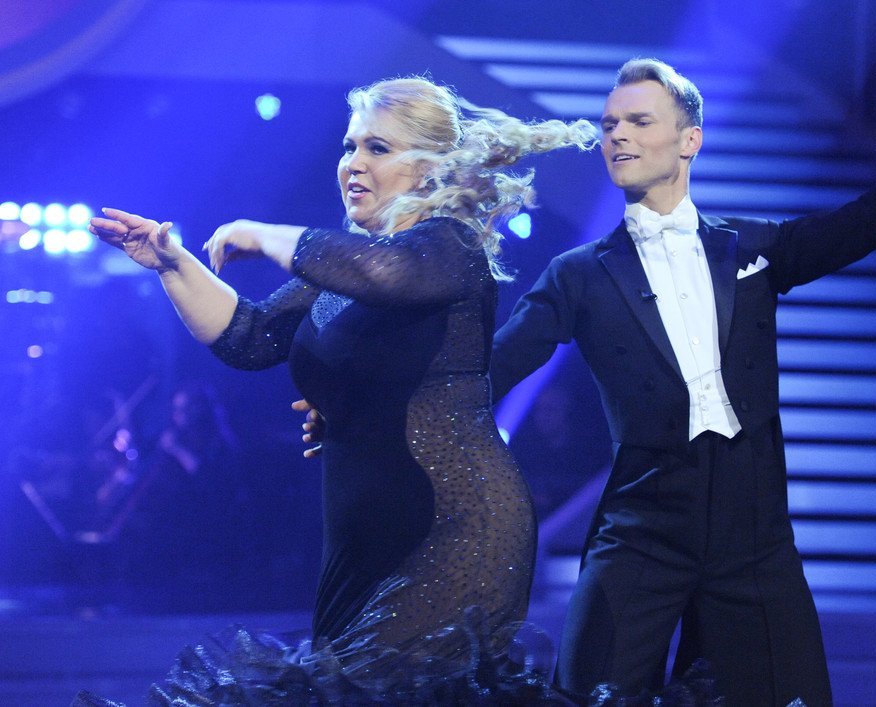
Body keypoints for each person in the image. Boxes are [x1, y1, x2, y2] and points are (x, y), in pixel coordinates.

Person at [482, 59, 876, 705]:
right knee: (588, 691)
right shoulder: (578, 273)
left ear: (689, 139)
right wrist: (389, 405)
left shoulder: (748, 246)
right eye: (609, 125)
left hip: (754, 529)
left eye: (639, 121)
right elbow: (497, 364)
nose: (618, 135)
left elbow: (858, 227)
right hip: (644, 521)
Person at [83, 77, 597, 701]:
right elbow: (251, 338)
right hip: (360, 545)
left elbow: (389, 275)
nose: (353, 162)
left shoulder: (448, 246)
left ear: (430, 168)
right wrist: (173, 263)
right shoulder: (342, 271)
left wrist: (262, 233)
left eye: (377, 148)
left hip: (455, 528)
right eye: (350, 146)